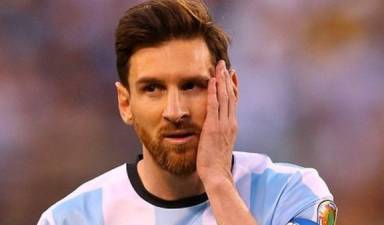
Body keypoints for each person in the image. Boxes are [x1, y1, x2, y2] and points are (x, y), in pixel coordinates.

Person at [37, 1, 337, 225]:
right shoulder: (70, 218)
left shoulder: (292, 194)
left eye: (192, 85)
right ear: (125, 103)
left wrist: (218, 182)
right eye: (153, 88)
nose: (175, 111)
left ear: (229, 89)